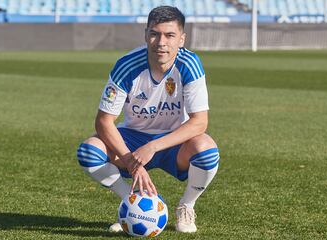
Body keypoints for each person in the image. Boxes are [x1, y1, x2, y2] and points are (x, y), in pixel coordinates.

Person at [76, 6, 220, 233]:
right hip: (133, 139)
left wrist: (153, 146)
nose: (161, 42)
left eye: (170, 35)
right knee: (89, 151)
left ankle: (186, 205)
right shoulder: (127, 65)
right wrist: (131, 162)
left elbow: (199, 122)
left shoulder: (189, 64)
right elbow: (104, 121)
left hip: (172, 141)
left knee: (206, 149)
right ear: (146, 36)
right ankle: (131, 203)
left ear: (182, 39)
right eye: (155, 34)